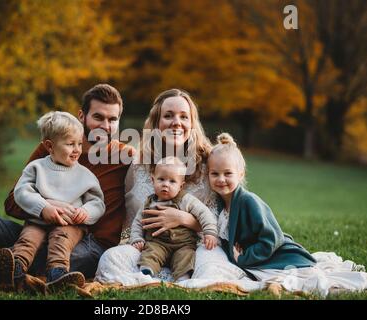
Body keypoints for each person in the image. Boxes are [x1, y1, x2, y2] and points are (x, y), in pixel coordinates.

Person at [0, 84, 134, 291]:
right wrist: (47, 206)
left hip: (90, 246)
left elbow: (163, 170)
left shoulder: (127, 158)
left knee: (20, 258)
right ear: (81, 116)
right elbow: (13, 202)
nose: (106, 126)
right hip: (38, 229)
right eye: (98, 117)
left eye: (113, 119)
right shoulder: (52, 148)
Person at [95, 89, 247, 286]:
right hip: (150, 248)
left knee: (213, 270)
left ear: (192, 123)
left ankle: (176, 279)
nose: (176, 122)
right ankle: (151, 277)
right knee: (110, 260)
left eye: (184, 117)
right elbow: (130, 216)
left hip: (196, 247)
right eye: (168, 116)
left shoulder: (209, 164)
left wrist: (185, 219)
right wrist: (135, 240)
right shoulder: (139, 164)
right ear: (157, 122)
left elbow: (226, 219)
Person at [0, 111, 105, 292]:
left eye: (79, 143)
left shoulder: (85, 175)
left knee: (60, 241)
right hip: (39, 220)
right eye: (70, 144)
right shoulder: (37, 167)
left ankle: (57, 274)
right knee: (27, 240)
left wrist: (86, 212)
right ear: (49, 146)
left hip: (70, 223)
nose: (77, 149)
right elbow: (21, 192)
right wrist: (42, 207)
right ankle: (14, 270)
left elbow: (97, 202)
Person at [208, 133, 316, 275]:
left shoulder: (249, 201)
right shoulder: (218, 203)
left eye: (228, 173)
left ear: (240, 174)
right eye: (215, 174)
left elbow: (272, 238)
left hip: (278, 256)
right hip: (253, 256)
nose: (221, 179)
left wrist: (243, 258)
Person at [130, 157, 218, 281]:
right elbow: (138, 223)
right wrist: (136, 238)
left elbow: (205, 214)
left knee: (185, 256)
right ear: (152, 180)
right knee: (151, 252)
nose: (166, 184)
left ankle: (182, 277)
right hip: (157, 242)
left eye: (172, 181)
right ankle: (146, 272)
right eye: (161, 179)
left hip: (183, 244)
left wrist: (210, 232)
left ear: (181, 186)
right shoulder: (149, 202)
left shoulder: (186, 200)